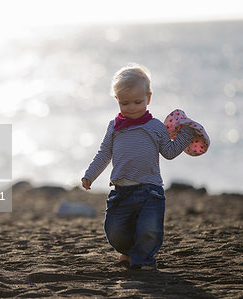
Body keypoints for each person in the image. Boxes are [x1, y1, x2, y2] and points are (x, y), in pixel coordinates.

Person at [81, 63, 195, 270]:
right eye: (125, 103)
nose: (131, 107)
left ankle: (143, 260)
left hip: (150, 190)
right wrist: (90, 175)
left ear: (148, 98)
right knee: (115, 230)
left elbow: (169, 152)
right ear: (116, 100)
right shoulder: (114, 127)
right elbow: (104, 154)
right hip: (121, 191)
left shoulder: (155, 127)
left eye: (137, 101)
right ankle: (127, 251)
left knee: (149, 229)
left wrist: (186, 134)